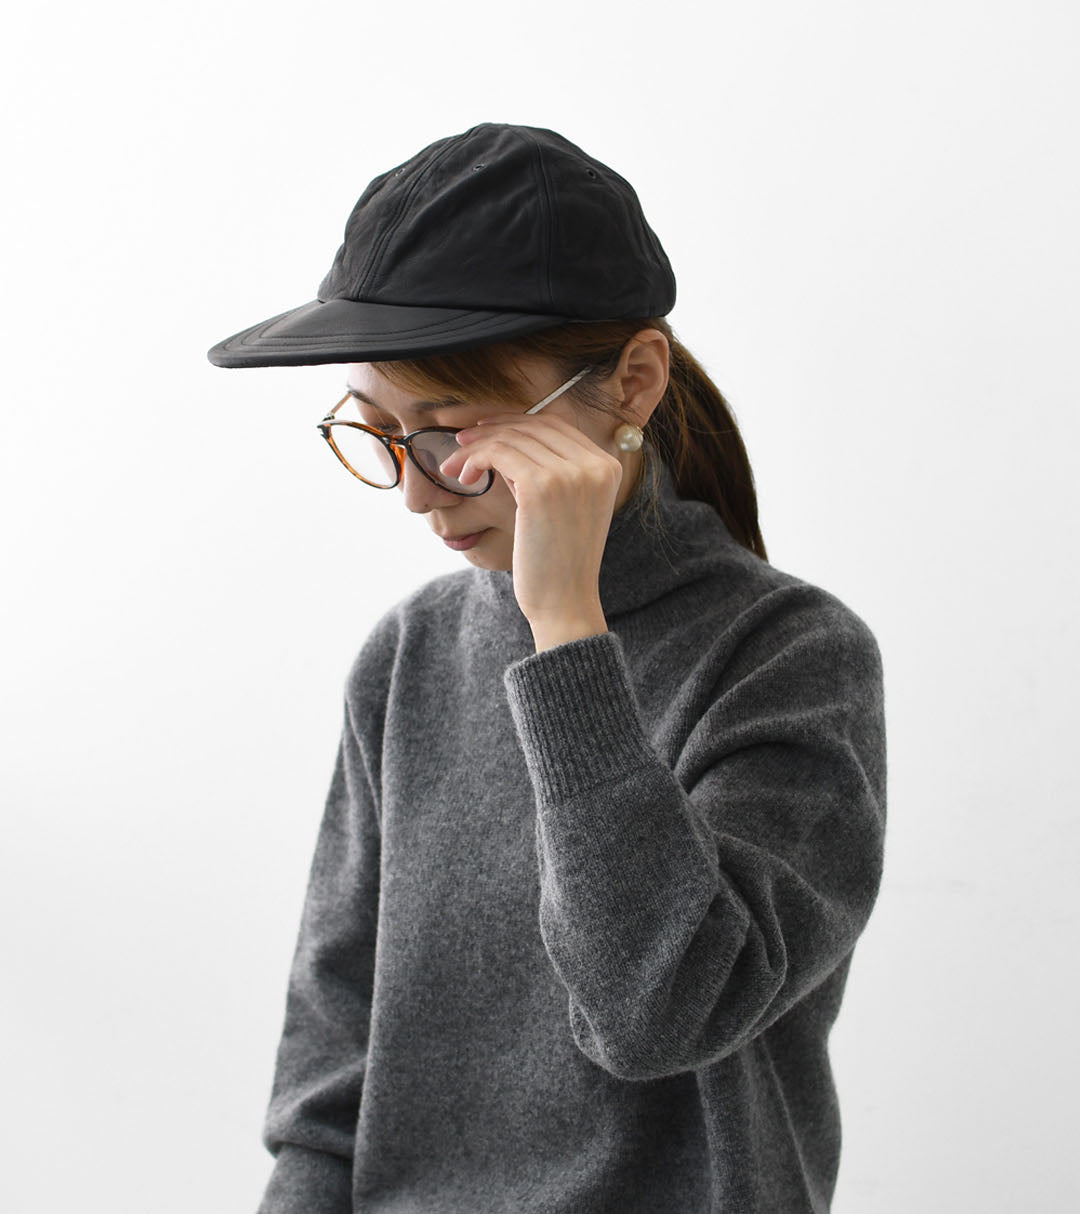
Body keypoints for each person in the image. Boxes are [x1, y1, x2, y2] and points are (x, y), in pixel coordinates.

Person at [207, 122, 887, 1214]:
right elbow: (331, 1071)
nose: (419, 491)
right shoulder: (409, 655)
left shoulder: (792, 657)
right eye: (381, 434)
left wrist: (566, 630)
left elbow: (658, 1014)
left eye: (452, 432)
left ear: (633, 382)